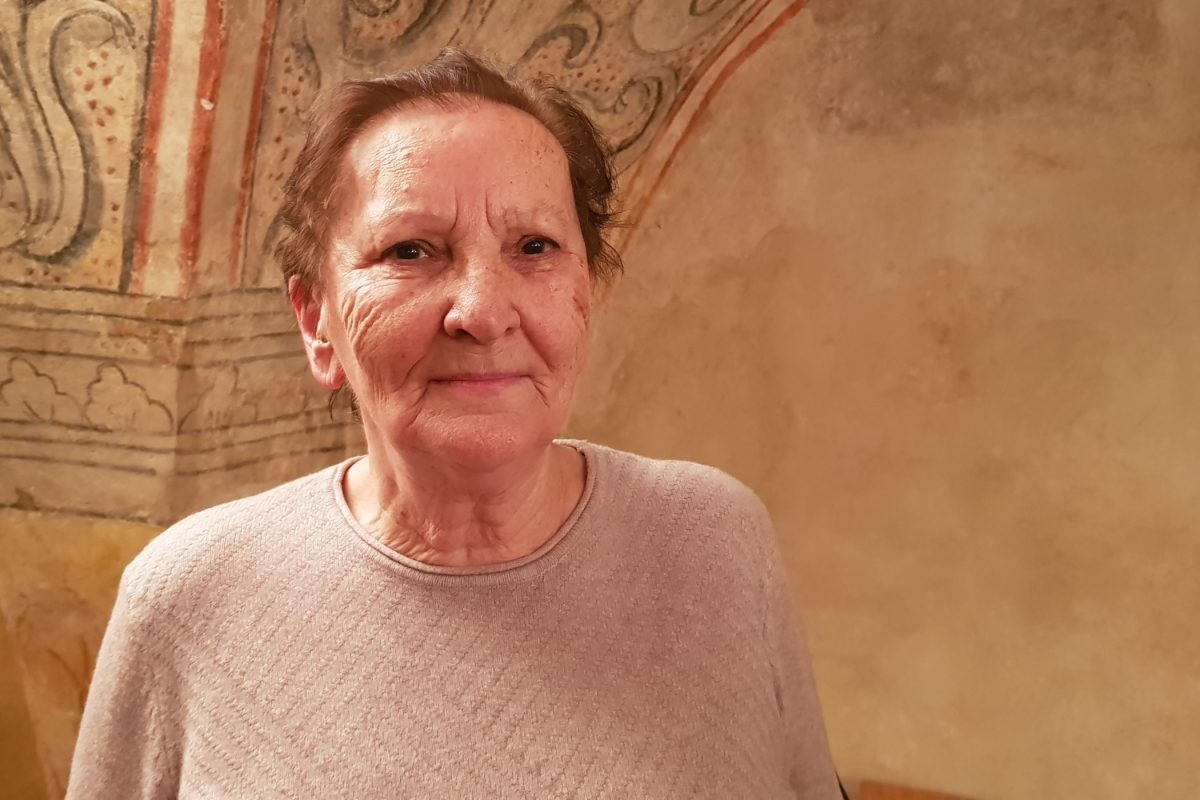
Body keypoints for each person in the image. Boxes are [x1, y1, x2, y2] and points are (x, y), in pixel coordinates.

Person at [67, 49, 840, 799]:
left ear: (585, 290)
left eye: (534, 246)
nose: (481, 310)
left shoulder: (715, 541)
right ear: (316, 321)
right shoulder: (188, 595)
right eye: (410, 251)